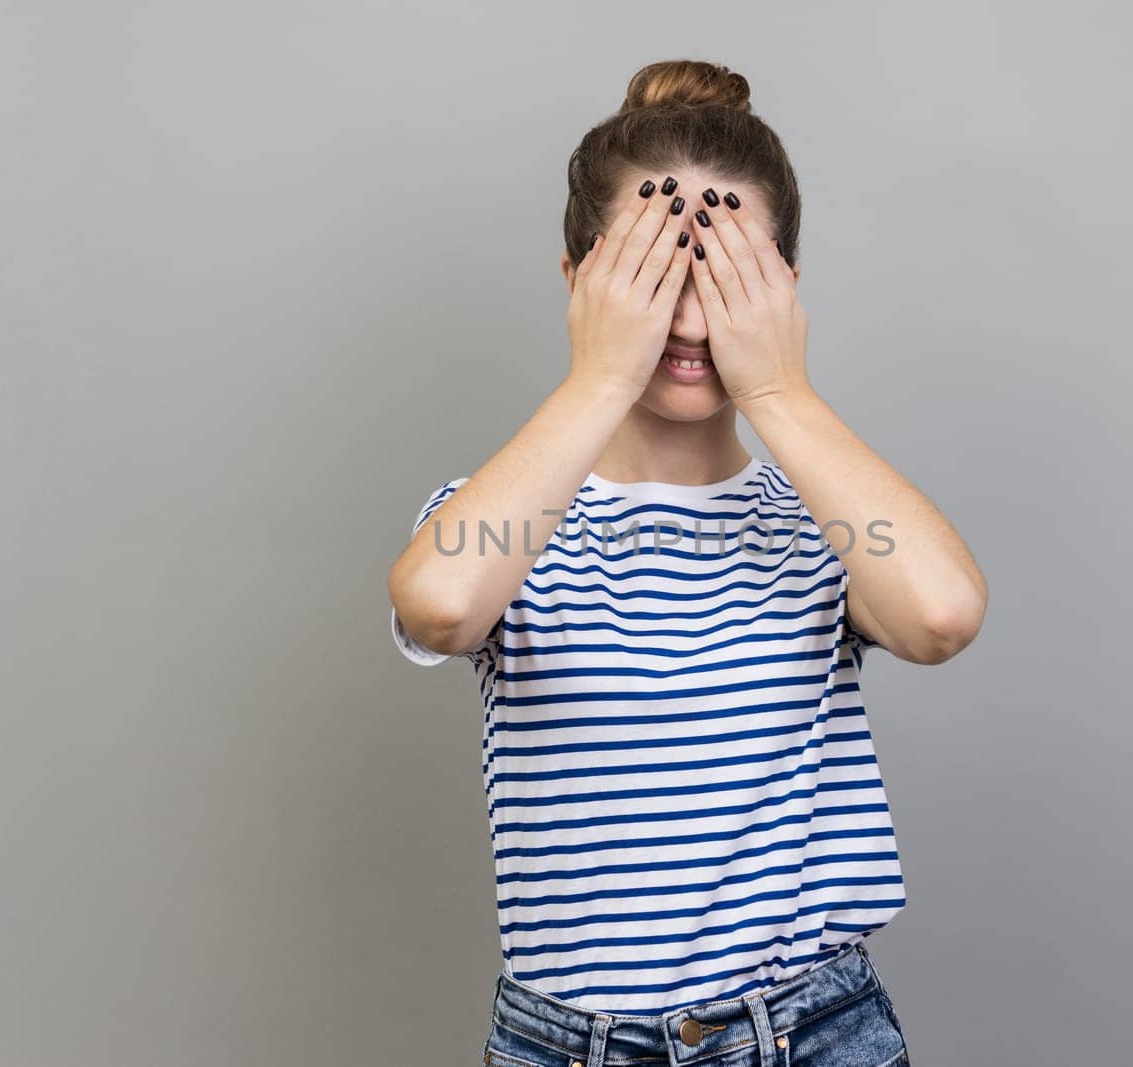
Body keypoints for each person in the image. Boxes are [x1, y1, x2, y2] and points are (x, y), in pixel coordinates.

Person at [387, 58, 986, 1067]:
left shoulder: (824, 522)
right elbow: (441, 604)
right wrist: (602, 368)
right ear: (579, 278)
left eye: (725, 276)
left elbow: (939, 614)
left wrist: (782, 389)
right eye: (655, 275)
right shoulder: (502, 520)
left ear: (782, 289)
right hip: (566, 1045)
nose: (692, 318)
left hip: (811, 1031)